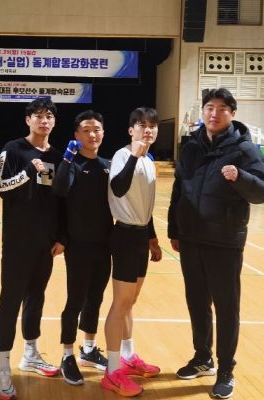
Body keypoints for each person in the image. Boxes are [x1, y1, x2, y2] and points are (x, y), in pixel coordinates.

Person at [168, 88, 264, 399]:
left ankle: (226, 369)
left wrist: (241, 177)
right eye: (209, 108)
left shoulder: (243, 149)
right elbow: (180, 189)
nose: (213, 114)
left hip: (224, 242)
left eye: (221, 109)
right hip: (191, 240)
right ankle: (203, 358)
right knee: (197, 303)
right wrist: (175, 229)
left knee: (226, 308)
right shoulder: (190, 146)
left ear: (232, 113)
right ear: (202, 111)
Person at [0, 97, 66, 400]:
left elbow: (58, 199)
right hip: (17, 242)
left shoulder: (57, 156)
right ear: (28, 120)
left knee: (36, 298)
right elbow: (1, 187)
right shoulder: (13, 149)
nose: (44, 120)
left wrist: (61, 237)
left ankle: (31, 354)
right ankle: (3, 367)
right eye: (38, 115)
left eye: (49, 115)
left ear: (54, 121)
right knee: (10, 302)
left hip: (44, 243)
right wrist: (27, 172)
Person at [101, 107, 162, 397]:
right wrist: (135, 156)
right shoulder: (123, 156)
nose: (147, 130)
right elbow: (118, 187)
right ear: (131, 130)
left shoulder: (149, 161)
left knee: (131, 302)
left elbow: (144, 206)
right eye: (142, 125)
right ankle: (112, 372)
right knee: (120, 303)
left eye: (152, 126)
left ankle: (127, 356)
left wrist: (152, 239)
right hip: (124, 235)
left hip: (140, 236)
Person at [52, 110, 112, 385]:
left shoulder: (108, 165)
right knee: (75, 300)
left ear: (103, 133)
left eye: (96, 129)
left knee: (95, 299)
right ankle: (67, 355)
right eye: (86, 130)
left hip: (104, 244)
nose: (92, 134)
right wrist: (67, 158)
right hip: (78, 245)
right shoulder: (71, 164)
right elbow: (60, 189)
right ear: (76, 135)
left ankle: (89, 349)